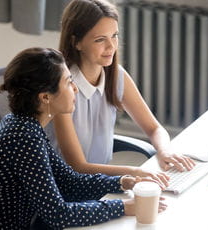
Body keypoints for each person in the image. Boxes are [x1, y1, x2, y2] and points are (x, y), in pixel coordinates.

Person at [0, 48, 167, 229]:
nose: (74, 88)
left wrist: (122, 182)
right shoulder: (23, 137)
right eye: (68, 82)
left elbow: (69, 181)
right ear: (45, 97)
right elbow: (58, 214)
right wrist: (123, 207)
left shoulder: (27, 125)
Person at [45, 0, 195, 188]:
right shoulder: (63, 87)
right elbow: (77, 167)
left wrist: (165, 151)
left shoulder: (116, 75)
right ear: (77, 42)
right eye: (100, 39)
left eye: (114, 36)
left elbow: (154, 128)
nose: (111, 47)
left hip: (99, 183)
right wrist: (134, 172)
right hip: (67, 187)